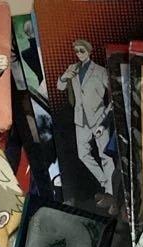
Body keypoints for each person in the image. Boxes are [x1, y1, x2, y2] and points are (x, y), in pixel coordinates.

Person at [57, 39, 113, 199]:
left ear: (89, 51)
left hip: (98, 117)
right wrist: (64, 77)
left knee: (105, 155)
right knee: (83, 154)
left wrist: (106, 117)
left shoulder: (100, 71)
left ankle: (110, 192)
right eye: (76, 51)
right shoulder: (72, 68)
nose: (79, 54)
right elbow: (60, 87)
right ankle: (104, 182)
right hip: (80, 118)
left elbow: (114, 94)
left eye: (82, 50)